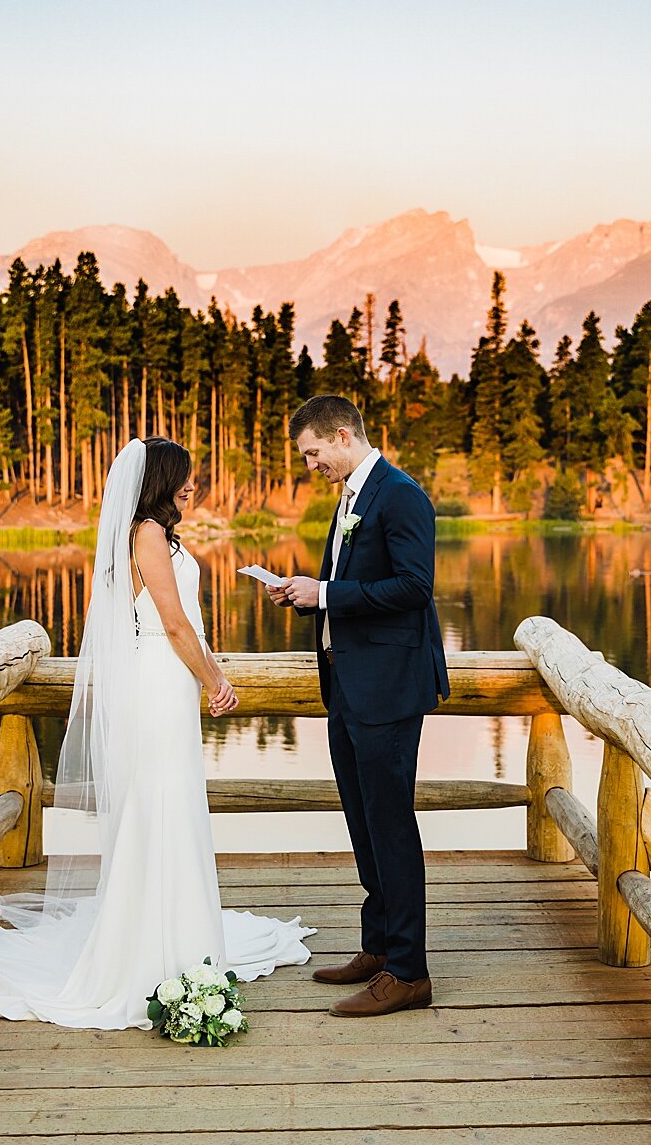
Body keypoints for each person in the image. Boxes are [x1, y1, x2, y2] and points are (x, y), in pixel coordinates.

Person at [0, 437, 314, 1029]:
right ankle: (154, 946)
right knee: (160, 800)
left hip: (166, 680)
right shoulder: (147, 532)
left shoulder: (158, 535)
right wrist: (213, 677)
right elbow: (171, 623)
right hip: (158, 680)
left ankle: (181, 932)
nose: (192, 487)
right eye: (183, 478)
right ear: (160, 480)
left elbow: (180, 618)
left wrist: (201, 668)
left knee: (170, 801)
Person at [268, 395, 449, 1017]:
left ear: (342, 436)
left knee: (391, 823)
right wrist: (309, 596)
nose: (311, 464)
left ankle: (409, 972)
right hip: (348, 686)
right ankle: (379, 945)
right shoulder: (351, 495)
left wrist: (326, 593)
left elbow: (413, 587)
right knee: (363, 821)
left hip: (388, 689)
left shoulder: (400, 495)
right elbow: (352, 588)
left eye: (313, 452)